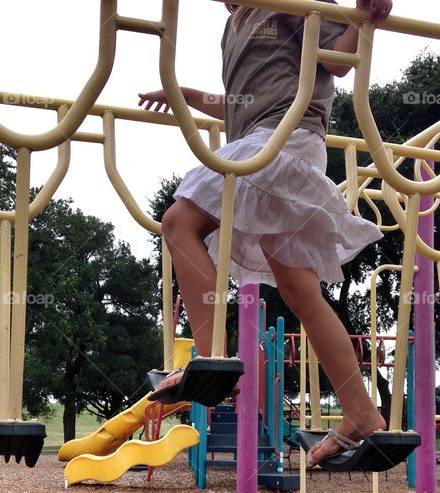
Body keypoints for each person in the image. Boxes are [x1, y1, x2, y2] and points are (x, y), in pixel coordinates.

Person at [138, 0, 393, 468]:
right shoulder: (233, 26)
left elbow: (336, 62)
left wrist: (366, 19)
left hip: (285, 139)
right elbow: (241, 103)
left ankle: (212, 358)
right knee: (299, 290)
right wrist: (192, 96)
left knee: (179, 222)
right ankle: (362, 413)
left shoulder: (294, 2)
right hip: (265, 139)